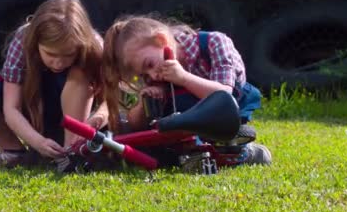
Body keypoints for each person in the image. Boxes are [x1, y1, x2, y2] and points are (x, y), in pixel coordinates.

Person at [0, 0, 108, 170]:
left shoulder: (94, 46)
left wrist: (96, 120)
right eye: (50, 54)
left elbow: (113, 101)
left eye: (68, 55)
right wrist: (37, 142)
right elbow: (11, 108)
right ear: (36, 43)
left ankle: (70, 153)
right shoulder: (23, 39)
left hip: (77, 115)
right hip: (35, 107)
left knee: (80, 72)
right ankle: (13, 151)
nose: (58, 63)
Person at [101, 15, 272, 165]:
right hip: (187, 123)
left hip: (227, 111)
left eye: (150, 65)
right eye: (143, 73)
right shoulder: (154, 73)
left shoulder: (214, 43)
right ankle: (193, 152)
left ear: (161, 41)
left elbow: (223, 97)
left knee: (224, 148)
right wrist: (145, 102)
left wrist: (182, 77)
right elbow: (135, 124)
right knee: (159, 149)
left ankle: (244, 152)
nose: (152, 75)